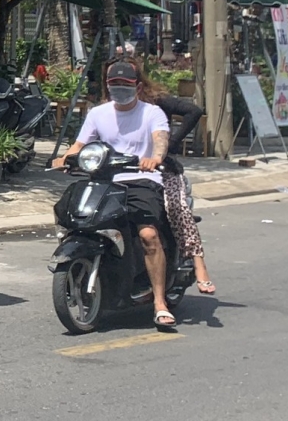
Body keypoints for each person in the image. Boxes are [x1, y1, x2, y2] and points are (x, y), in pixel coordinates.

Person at [54, 57, 179, 329]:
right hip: (104, 180)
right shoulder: (98, 113)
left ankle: (159, 302)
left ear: (137, 85)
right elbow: (79, 144)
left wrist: (154, 158)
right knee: (80, 221)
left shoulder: (151, 113)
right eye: (114, 83)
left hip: (142, 180)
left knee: (147, 234)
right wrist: (67, 157)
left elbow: (160, 140)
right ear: (107, 85)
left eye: (125, 83)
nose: (119, 88)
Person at [146, 83, 213, 296]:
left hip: (162, 167)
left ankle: (197, 259)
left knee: (176, 205)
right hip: (124, 169)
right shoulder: (110, 108)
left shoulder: (156, 103)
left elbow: (194, 111)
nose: (121, 87)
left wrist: (171, 145)